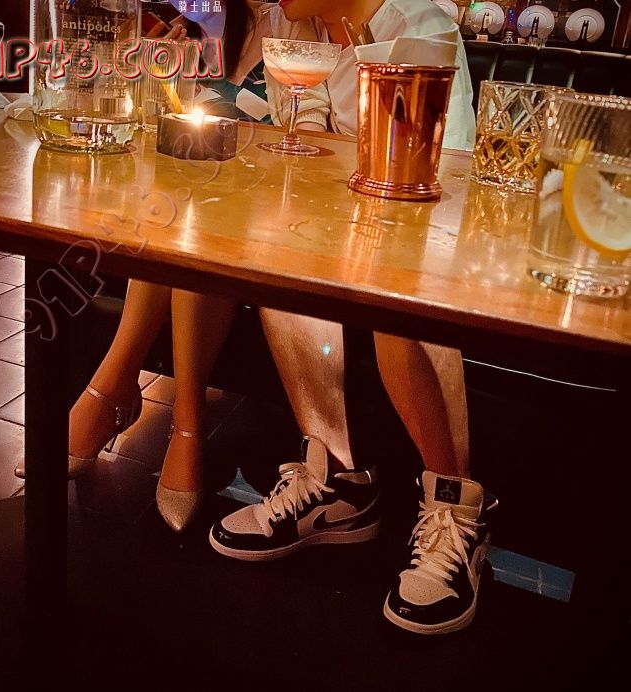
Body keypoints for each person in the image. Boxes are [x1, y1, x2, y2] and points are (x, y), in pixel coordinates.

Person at [209, 0, 497, 636]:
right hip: (336, 224)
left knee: (396, 282)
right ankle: (336, 480)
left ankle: (455, 507)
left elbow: (443, 172)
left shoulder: (417, 24)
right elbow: (294, 139)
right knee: (279, 246)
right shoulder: (293, 28)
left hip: (420, 229)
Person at [27, 1, 330, 535]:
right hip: (202, 206)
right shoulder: (203, 24)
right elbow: (165, 128)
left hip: (274, 221)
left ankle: (125, 394)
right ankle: (167, 413)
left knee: (193, 224)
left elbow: (307, 131)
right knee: (185, 219)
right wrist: (155, 72)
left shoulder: (297, 24)